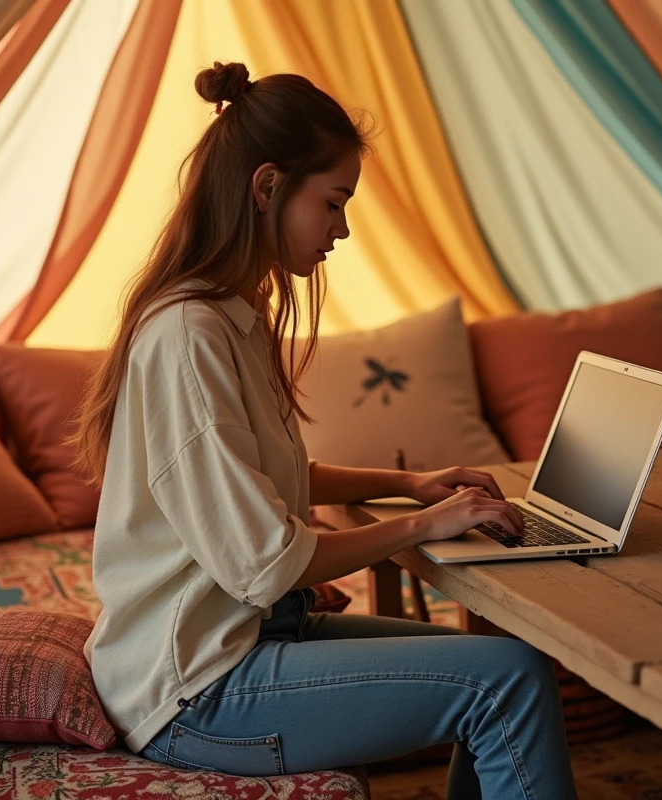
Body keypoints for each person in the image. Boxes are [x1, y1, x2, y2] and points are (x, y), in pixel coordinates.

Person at [69, 61, 578, 799]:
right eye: (335, 202)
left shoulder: (231, 319)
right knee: (505, 685)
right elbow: (265, 564)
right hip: (193, 689)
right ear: (268, 187)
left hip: (247, 643)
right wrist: (429, 522)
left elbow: (267, 478)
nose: (342, 229)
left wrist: (408, 485)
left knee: (506, 665)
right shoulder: (188, 336)